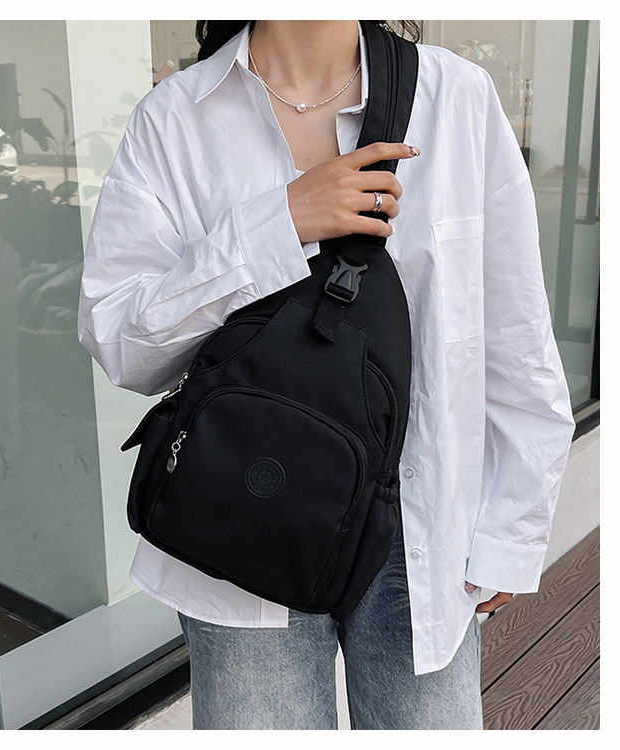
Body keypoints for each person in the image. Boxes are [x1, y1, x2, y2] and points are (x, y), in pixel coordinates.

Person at [77, 20, 576, 730]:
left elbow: (514, 333)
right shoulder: (175, 119)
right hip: (242, 517)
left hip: (421, 523)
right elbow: (122, 343)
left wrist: (512, 529)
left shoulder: (456, 97)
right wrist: (278, 223)